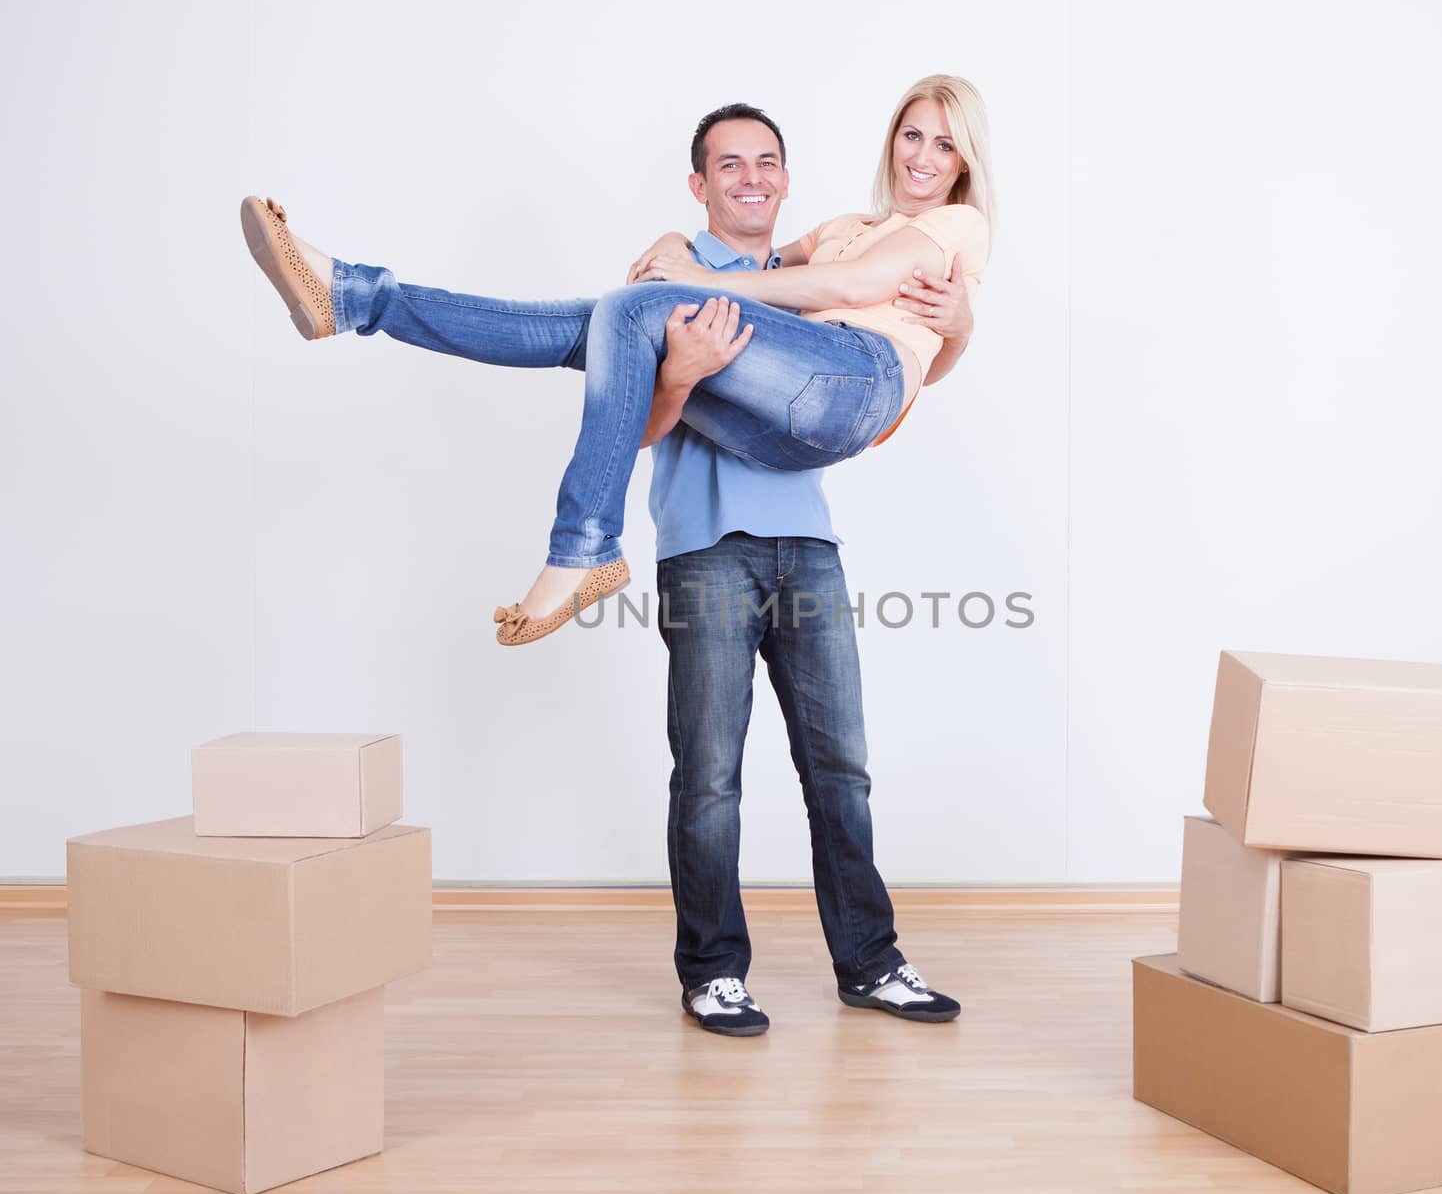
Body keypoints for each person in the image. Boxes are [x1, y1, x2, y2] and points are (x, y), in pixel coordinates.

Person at [241, 84, 990, 1034]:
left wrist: (957, 327)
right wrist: (677, 362)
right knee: (709, 776)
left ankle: (872, 963)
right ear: (701, 185)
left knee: (840, 768)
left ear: (786, 180)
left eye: (767, 164)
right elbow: (629, 433)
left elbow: (881, 325)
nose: (752, 179)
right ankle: (715, 972)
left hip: (807, 539)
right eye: (731, 165)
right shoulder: (758, 256)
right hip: (705, 550)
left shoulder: (838, 262)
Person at [241, 75, 993, 652]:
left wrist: (957, 334)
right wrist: (679, 253)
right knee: (601, 321)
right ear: (892, 139)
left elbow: (855, 290)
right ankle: (354, 298)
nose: (923, 157)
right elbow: (768, 265)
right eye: (913, 135)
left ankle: (584, 548)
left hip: (853, 386)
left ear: (965, 165)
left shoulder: (959, 224)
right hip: (789, 428)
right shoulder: (849, 225)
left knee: (627, 310)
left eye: (944, 144)